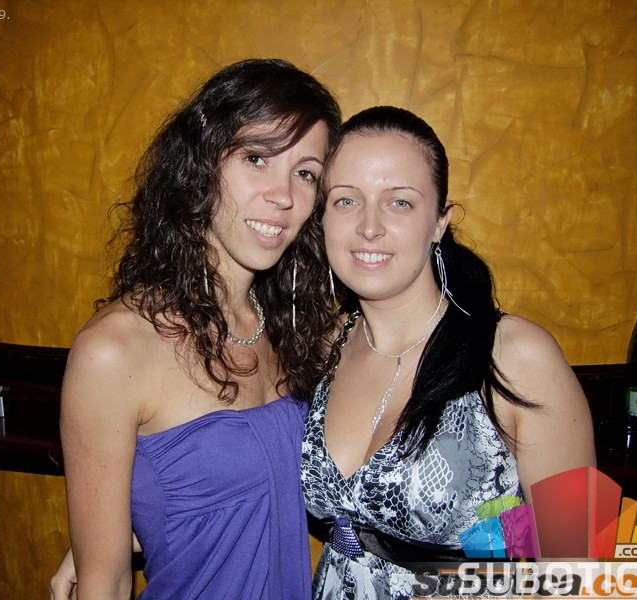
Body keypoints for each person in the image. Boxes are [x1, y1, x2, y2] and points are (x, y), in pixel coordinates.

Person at [52, 58, 341, 600]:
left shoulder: (297, 328)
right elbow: (105, 582)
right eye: (256, 158)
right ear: (202, 163)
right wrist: (107, 531)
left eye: (305, 173)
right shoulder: (115, 350)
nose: (284, 195)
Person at [301, 106, 596, 599]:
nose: (369, 227)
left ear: (440, 221)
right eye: (346, 200)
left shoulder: (516, 356)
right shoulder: (322, 347)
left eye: (400, 203)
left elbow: (576, 563)